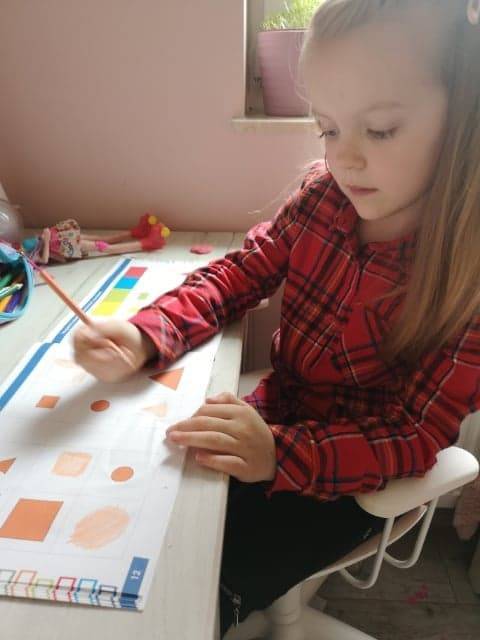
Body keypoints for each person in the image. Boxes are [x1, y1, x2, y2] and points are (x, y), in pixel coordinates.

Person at [72, 0, 480, 635]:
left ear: (463, 120)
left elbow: (412, 436)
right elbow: (238, 276)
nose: (345, 158)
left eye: (379, 131)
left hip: (353, 482)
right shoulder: (321, 200)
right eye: (328, 129)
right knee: (154, 512)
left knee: (200, 583)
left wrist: (280, 455)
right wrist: (146, 333)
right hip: (275, 418)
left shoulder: (464, 277)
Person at [21, 213, 170, 264]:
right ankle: (146, 243)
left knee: (103, 239)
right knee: (103, 247)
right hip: (66, 248)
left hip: (64, 240)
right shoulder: (33, 256)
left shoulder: (32, 245)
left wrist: (46, 237)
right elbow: (44, 260)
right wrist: (46, 240)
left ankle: (136, 232)